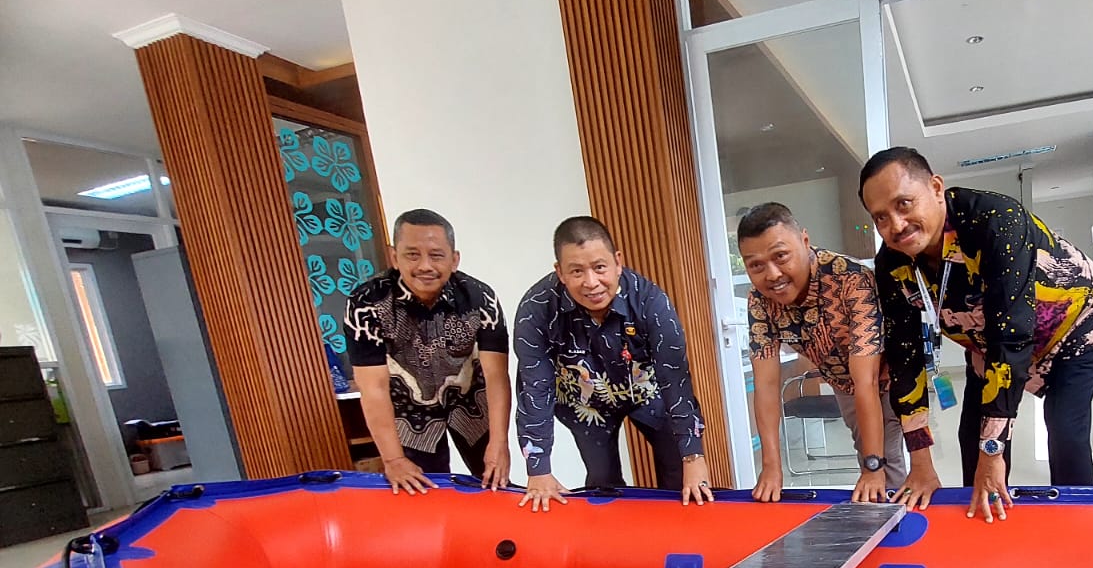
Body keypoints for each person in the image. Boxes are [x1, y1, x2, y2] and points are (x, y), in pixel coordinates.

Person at [859, 147, 1093, 522]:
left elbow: (1012, 337)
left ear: (936, 187)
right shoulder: (892, 264)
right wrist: (921, 462)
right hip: (986, 341)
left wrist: (993, 454)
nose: (896, 225)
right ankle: (980, 517)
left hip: (1071, 328)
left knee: (1065, 432)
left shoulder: (995, 219)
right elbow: (904, 357)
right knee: (970, 438)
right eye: (881, 217)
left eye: (905, 203)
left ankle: (1084, 526)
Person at [514, 216, 711, 510]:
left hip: (647, 390)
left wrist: (694, 457)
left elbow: (676, 380)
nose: (591, 283)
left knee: (680, 475)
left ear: (618, 262)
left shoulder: (650, 302)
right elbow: (535, 388)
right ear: (560, 272)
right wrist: (538, 468)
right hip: (584, 402)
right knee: (603, 483)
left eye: (600, 267)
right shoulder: (536, 310)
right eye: (577, 271)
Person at [738, 202, 906, 503]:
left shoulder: (850, 279)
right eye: (756, 265)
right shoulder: (759, 301)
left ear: (804, 241)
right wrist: (771, 467)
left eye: (780, 256)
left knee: (885, 466)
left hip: (889, 377)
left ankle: (904, 536)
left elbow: (866, 381)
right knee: (867, 453)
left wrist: (872, 467)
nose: (772, 274)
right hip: (844, 383)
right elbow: (765, 385)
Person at [344, 208, 512, 496]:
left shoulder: (480, 298)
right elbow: (374, 388)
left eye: (436, 255)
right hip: (408, 408)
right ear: (394, 256)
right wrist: (393, 459)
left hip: (469, 396)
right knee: (423, 492)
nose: (425, 266)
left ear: (454, 259)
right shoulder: (366, 304)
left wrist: (500, 444)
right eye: (412, 254)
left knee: (494, 483)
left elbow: (497, 376)